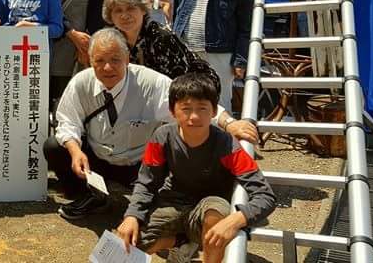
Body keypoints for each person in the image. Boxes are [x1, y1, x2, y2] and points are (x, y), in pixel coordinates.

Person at [43, 28, 256, 221]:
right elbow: (67, 121)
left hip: (139, 164)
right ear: (90, 60)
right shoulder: (81, 82)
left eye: (115, 60)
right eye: (99, 61)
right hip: (96, 157)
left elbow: (188, 104)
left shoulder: (151, 83)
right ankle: (88, 196)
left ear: (127, 59)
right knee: (55, 146)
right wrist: (75, 151)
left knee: (161, 210)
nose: (107, 67)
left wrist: (228, 123)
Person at [116, 72, 276, 262]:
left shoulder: (227, 146)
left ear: (214, 111)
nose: (194, 116)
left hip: (209, 207)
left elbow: (265, 195)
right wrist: (132, 216)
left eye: (202, 108)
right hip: (173, 201)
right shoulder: (161, 137)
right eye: (186, 108)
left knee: (217, 215)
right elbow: (146, 182)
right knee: (127, 241)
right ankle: (181, 241)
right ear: (172, 111)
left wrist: (236, 220)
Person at [103, 0, 221, 96]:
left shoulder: (161, 38)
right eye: (118, 11)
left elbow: (175, 86)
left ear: (143, 9)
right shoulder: (112, 41)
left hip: (195, 93)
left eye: (130, 8)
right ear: (110, 16)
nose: (124, 15)